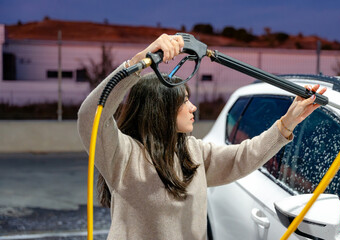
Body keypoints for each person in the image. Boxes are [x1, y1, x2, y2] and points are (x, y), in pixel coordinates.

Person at [77, 33, 326, 240]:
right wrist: (139, 61)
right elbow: (90, 116)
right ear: (160, 109)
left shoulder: (192, 152)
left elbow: (243, 157)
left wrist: (288, 122)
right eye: (184, 101)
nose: (193, 107)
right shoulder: (124, 156)